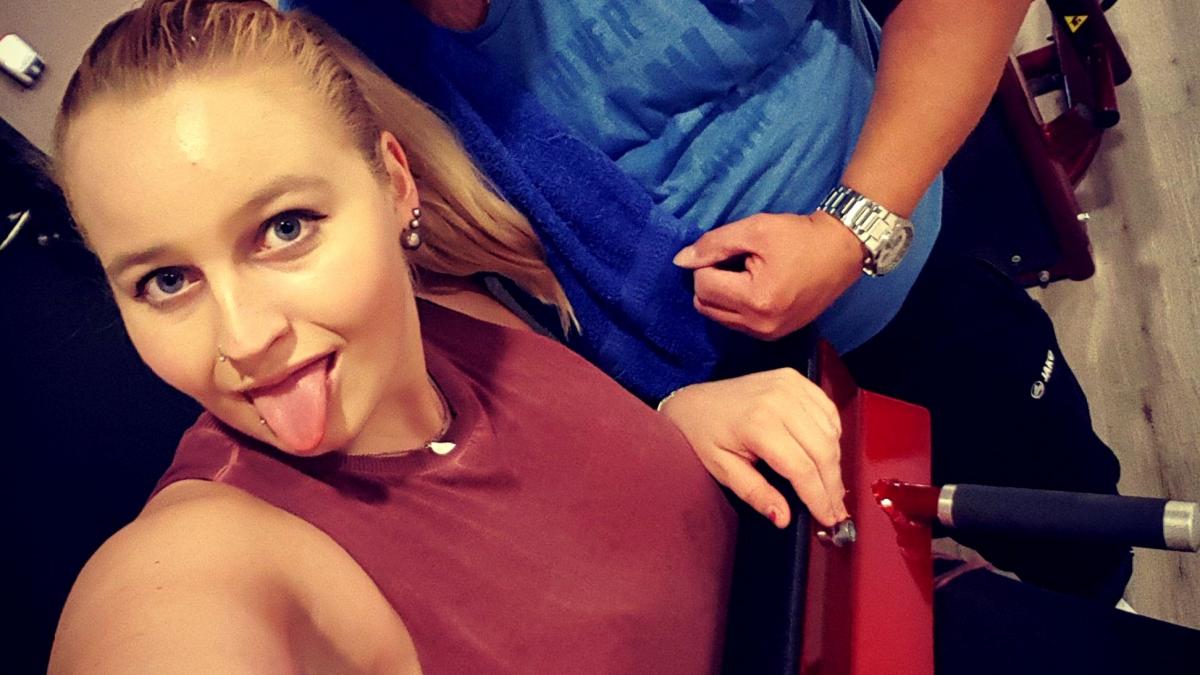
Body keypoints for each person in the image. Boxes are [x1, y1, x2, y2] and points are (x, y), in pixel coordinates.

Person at [43, 1, 833, 670]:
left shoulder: (463, 308)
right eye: (166, 281)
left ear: (394, 184)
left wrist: (671, 425)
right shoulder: (205, 557)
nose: (244, 338)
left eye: (286, 227)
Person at [285, 0, 1134, 603]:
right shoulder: (318, 56)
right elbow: (433, 290)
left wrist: (849, 230)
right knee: (860, 609)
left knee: (1066, 515)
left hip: (906, 282)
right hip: (686, 421)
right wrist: (658, 411)